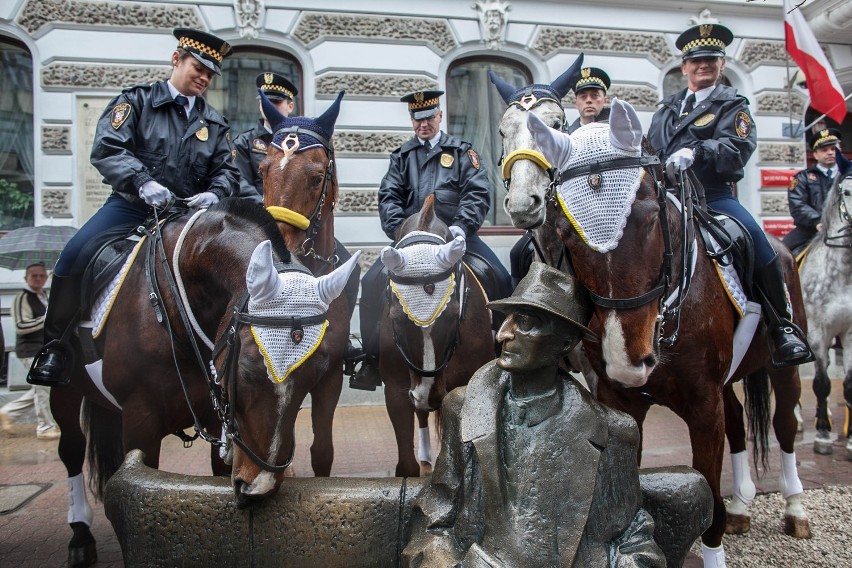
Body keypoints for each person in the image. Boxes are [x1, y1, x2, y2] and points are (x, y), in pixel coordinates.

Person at [402, 262, 665, 567]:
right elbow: (432, 522)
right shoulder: (462, 409)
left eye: (525, 322)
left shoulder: (614, 432)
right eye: (507, 319)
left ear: (566, 343)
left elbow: (635, 542)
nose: (502, 334)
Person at [27, 28, 239, 387]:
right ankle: (55, 347)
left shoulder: (214, 123)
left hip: (188, 217)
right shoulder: (138, 102)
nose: (203, 77)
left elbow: (228, 171)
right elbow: (108, 147)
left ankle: (228, 357)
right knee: (74, 256)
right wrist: (142, 182)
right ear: (177, 60)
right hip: (132, 207)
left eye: (209, 74)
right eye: (197, 67)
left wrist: (215, 194)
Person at [647, 23, 813, 367]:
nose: (702, 65)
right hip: (667, 197)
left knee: (759, 244)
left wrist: (698, 152)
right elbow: (650, 150)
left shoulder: (732, 104)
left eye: (710, 59)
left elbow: (737, 147)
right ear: (684, 67)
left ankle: (783, 327)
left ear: (721, 64)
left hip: (713, 196)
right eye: (696, 60)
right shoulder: (666, 109)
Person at [351, 90, 512, 390]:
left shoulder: (464, 153)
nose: (422, 124)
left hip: (455, 239)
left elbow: (477, 194)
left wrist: (461, 228)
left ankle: (505, 350)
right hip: (412, 243)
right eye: (416, 119)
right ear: (412, 121)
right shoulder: (401, 157)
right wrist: (403, 234)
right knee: (371, 282)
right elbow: (389, 199)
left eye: (428, 118)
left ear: (439, 116)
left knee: (501, 277)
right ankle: (371, 359)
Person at [0, 263, 60, 439]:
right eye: (34, 276)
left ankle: (7, 413)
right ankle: (45, 428)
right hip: (30, 350)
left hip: (42, 349)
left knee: (41, 387)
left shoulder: (43, 296)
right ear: (26, 278)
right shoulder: (22, 297)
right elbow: (21, 326)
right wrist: (47, 318)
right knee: (44, 388)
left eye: (42, 275)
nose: (38, 279)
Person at [234, 72, 298, 202]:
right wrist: (264, 205)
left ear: (290, 106)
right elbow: (239, 181)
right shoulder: (245, 142)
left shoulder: (300, 142)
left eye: (276, 101)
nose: (270, 106)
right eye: (266, 101)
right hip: (256, 216)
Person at [782, 128, 842, 256]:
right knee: (781, 254)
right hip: (810, 230)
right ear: (815, 155)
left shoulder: (848, 177)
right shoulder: (802, 178)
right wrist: (818, 221)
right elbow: (797, 205)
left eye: (833, 149)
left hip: (845, 229)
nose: (830, 153)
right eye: (824, 150)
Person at [566, 66, 611, 134]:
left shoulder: (616, 134)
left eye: (595, 95)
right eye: (583, 96)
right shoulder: (567, 137)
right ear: (576, 103)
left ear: (605, 101)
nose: (588, 100)